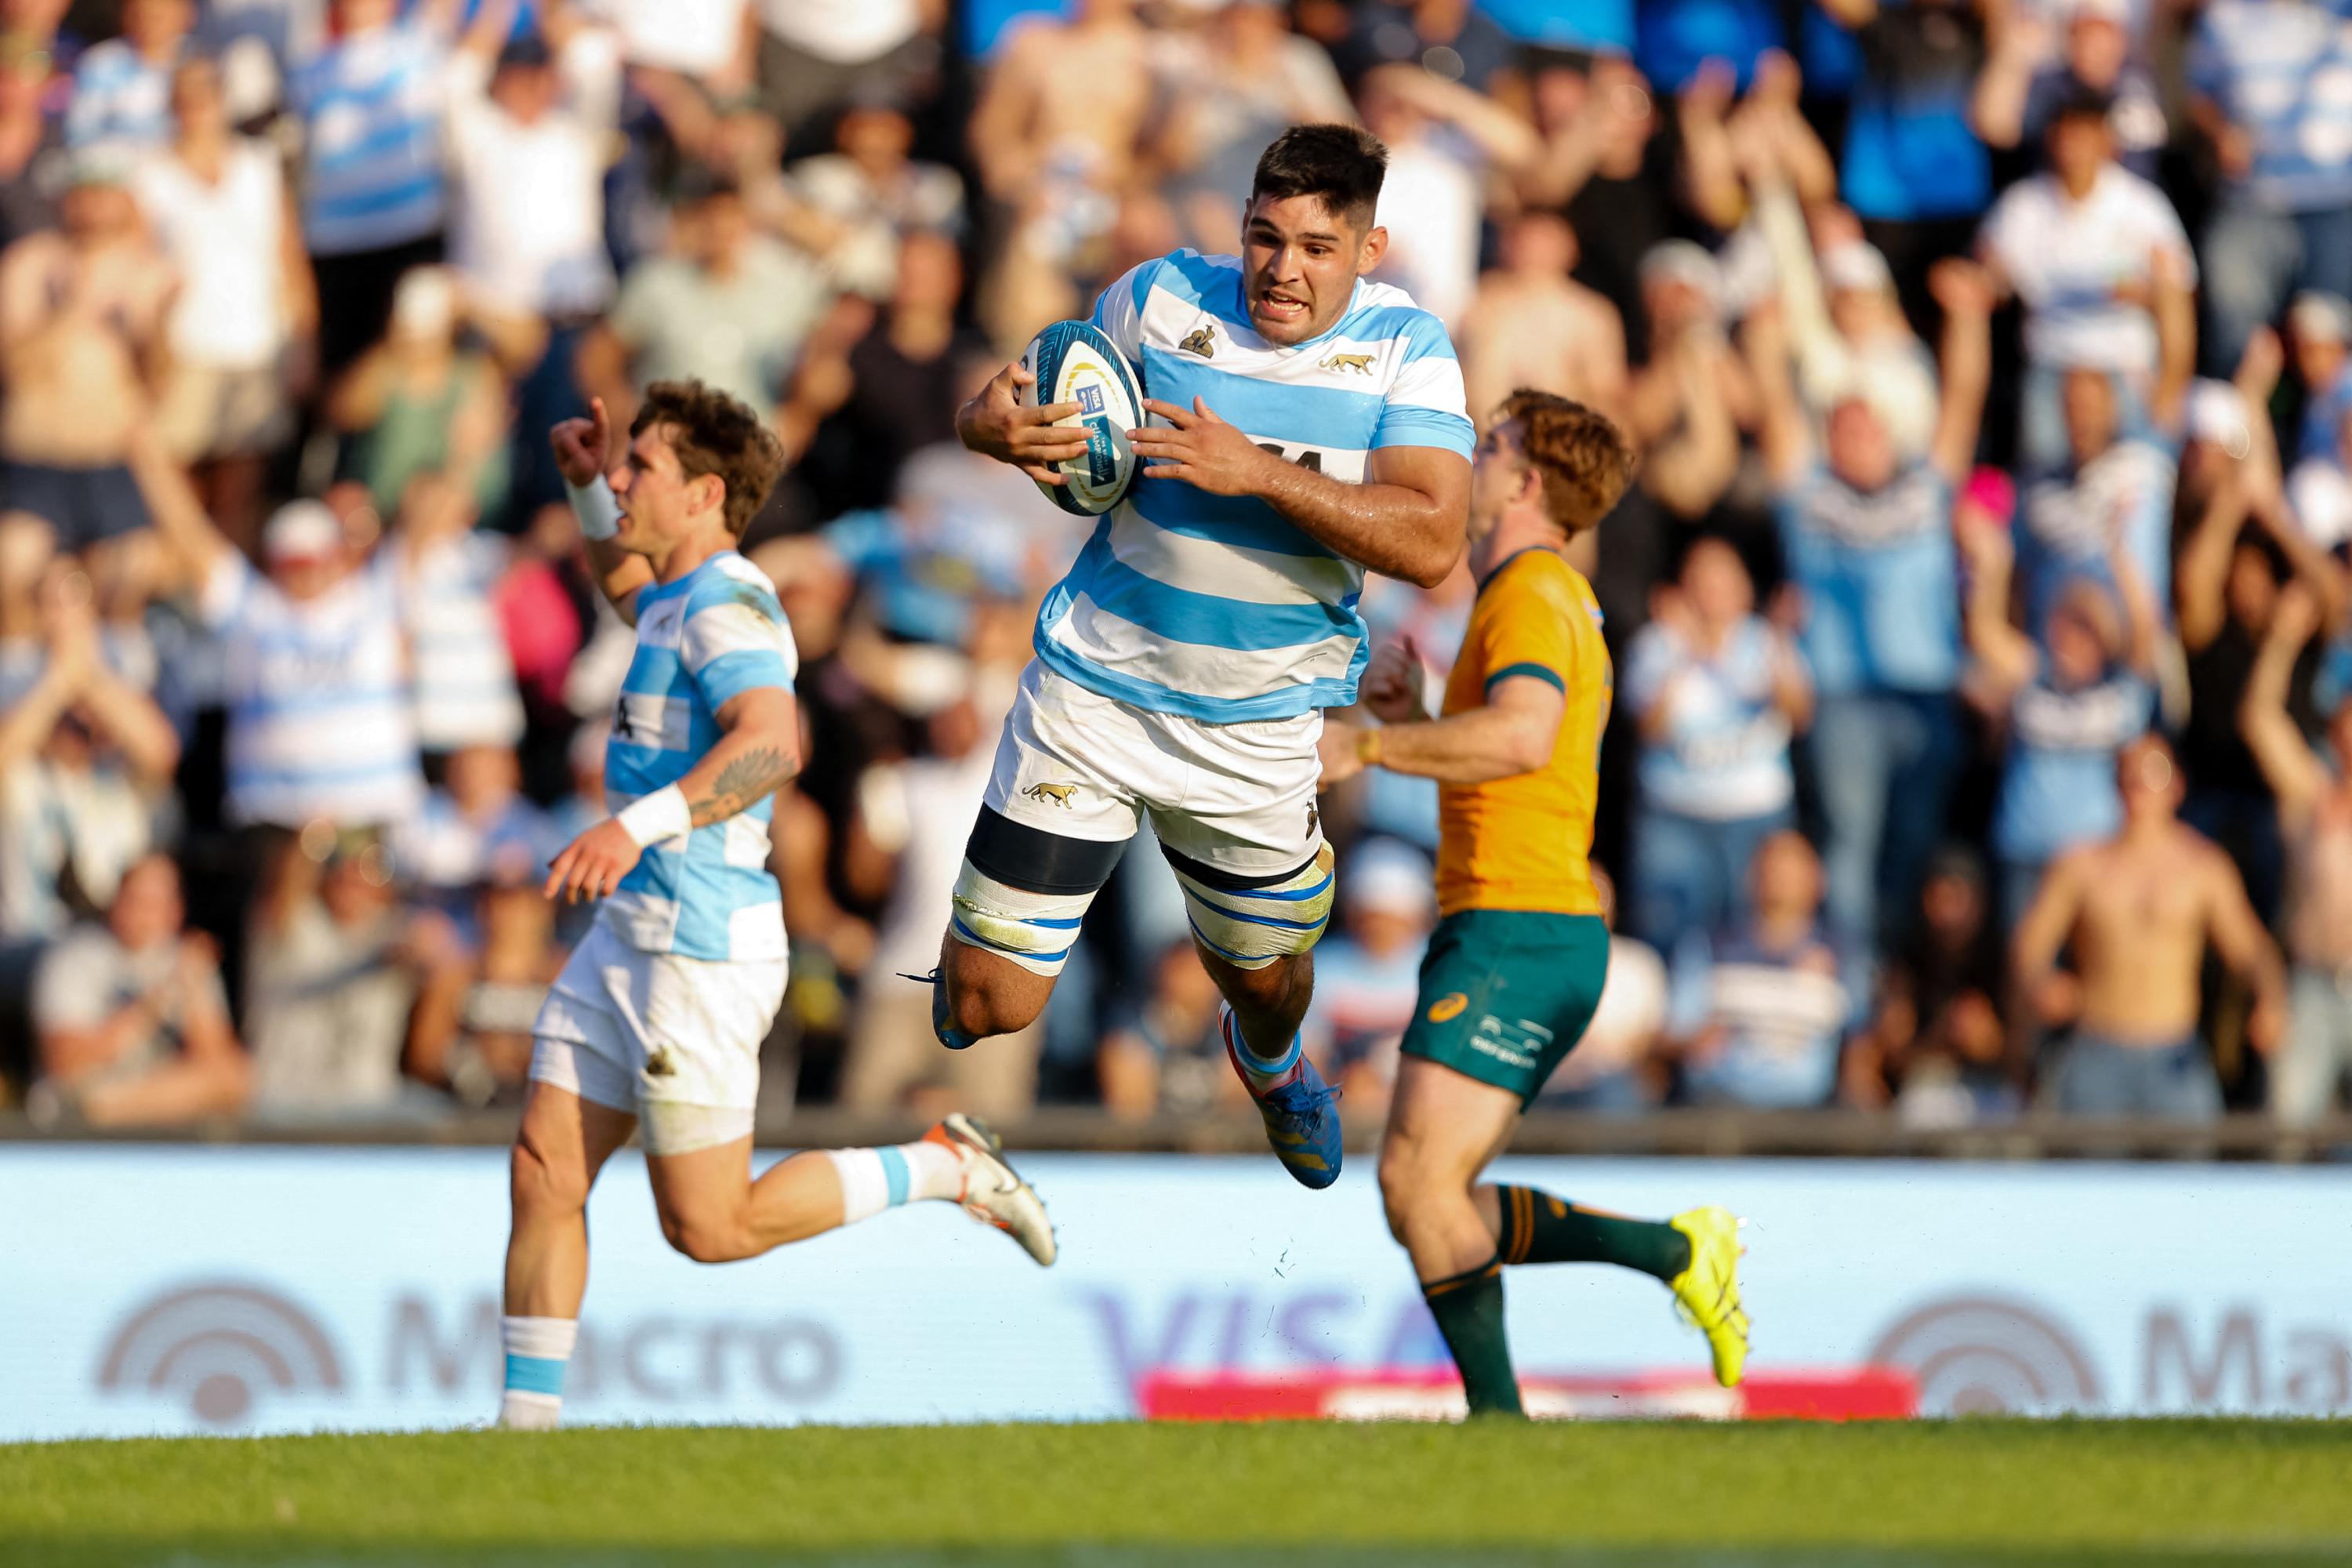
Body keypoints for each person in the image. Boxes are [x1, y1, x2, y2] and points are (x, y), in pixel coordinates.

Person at [502, 381, 1052, 1432]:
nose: (623, 479)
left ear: (705, 493)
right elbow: (623, 589)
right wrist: (581, 490)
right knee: (544, 1167)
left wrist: (634, 827)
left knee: (710, 1229)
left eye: (639, 469)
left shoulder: (731, 604)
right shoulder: (674, 593)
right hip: (630, 934)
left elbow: (771, 743)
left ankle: (943, 1165)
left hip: (697, 945)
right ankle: (521, 1442)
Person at [940, 125, 1474, 1189]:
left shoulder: (1409, 351)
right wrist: (1000, 432)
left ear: (1369, 250)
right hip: (1094, 691)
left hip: (1258, 727)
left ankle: (1268, 1063)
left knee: (1265, 985)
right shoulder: (1159, 299)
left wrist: (1261, 474)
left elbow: (1433, 540)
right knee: (981, 1008)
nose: (1282, 270)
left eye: (1318, 249)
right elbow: (1017, 405)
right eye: (1264, 238)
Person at [1318, 390, 1744, 1419]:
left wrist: (1373, 745)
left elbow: (1520, 739)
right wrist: (1413, 714)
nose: (1473, 458)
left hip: (1522, 924)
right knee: (1421, 1190)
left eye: (1492, 445)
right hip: (1502, 920)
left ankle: (1504, 1421)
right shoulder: (1523, 595)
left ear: (1527, 483)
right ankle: (1669, 1253)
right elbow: (1504, 756)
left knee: (1419, 1187)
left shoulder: (1533, 595)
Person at [1746, 260, 1994, 952]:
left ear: (1889, 434)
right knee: (1849, 852)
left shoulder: (1924, 487)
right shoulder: (1809, 495)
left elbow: (1965, 398)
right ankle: (1855, 997)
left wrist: (1967, 317)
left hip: (1926, 693)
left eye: (1866, 428)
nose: (1855, 438)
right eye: (1842, 429)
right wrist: (1767, 342)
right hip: (1843, 698)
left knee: (1918, 851)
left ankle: (1902, 996)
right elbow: (1774, 408)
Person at [2011, 732, 2288, 1117]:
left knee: (2193, 1173)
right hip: (2098, 1048)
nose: (2140, 783)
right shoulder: (2081, 866)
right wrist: (2038, 982)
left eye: (2152, 772)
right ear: (2115, 784)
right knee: (2088, 1174)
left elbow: (2249, 946)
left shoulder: (2202, 868)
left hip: (2174, 1055)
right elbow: (2031, 942)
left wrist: (2269, 999)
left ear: (2177, 785)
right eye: (2129, 773)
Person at [1624, 535, 1810, 948]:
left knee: (1751, 935)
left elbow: (1799, 715)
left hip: (1755, 816)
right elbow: (1649, 728)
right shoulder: (1657, 646)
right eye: (1702, 583)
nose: (1713, 595)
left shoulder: (1766, 640)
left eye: (1723, 581)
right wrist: (1687, 652)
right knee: (1668, 934)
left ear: (1744, 588)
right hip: (1676, 815)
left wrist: (1780, 641)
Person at [2238, 582, 2352, 1127]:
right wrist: (2283, 637)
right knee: (2285, 1134)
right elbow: (2259, 718)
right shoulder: (2312, 793)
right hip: (2311, 984)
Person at [27, 851, 249, 1127]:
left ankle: (117, 1108)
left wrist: (194, 991)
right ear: (116, 901)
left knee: (235, 1077)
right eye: (136, 899)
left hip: (138, 1108)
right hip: (79, 1128)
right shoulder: (75, 958)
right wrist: (152, 1008)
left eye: (156, 903)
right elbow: (66, 1064)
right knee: (83, 1096)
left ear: (176, 910)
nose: (144, 913)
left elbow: (226, 1074)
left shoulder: (185, 961)